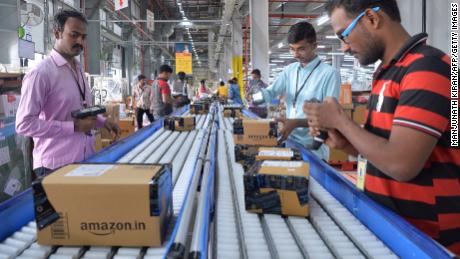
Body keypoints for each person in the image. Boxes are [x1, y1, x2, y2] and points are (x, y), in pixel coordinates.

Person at [303, 0, 459, 254]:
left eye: (344, 35)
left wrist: (341, 120)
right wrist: (347, 144)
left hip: (426, 242)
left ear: (372, 19)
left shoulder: (429, 67)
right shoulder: (386, 73)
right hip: (391, 229)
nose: (343, 48)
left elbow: (401, 164)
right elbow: (384, 149)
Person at [15, 10, 119, 178]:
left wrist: (102, 121)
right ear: (57, 33)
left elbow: (79, 111)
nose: (80, 41)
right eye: (74, 35)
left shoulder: (78, 69)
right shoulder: (41, 73)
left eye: (83, 37)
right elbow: (24, 124)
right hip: (55, 168)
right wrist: (74, 127)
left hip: (85, 161)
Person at [258, 21, 341, 160]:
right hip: (290, 142)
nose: (295, 54)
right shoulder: (290, 70)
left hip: (314, 149)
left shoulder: (329, 74)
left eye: (301, 49)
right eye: (291, 49)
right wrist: (255, 97)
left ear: (314, 46)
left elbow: (329, 118)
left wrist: (295, 123)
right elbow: (270, 92)